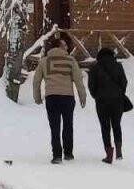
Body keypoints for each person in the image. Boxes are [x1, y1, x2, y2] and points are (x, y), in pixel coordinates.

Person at [32, 36, 86, 164]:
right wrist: (82, 96)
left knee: (54, 127)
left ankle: (57, 155)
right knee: (68, 125)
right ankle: (68, 153)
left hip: (52, 98)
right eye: (65, 45)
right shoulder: (71, 61)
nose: (67, 47)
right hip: (68, 98)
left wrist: (37, 97)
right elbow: (78, 80)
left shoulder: (44, 61)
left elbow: (36, 81)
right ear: (60, 47)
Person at [88, 47, 128, 164]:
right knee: (116, 124)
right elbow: (124, 82)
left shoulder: (95, 68)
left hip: (101, 101)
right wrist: (120, 93)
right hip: (117, 101)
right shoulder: (118, 66)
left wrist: (96, 95)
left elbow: (91, 85)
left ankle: (109, 154)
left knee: (105, 127)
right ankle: (119, 150)